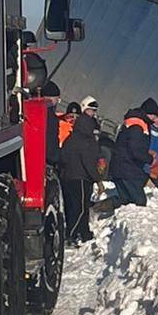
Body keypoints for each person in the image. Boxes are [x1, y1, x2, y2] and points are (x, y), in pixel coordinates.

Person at [60, 97, 101, 245]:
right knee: (81, 209)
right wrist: (97, 178)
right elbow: (88, 161)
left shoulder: (72, 137)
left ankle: (84, 233)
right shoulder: (87, 140)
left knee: (72, 207)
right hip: (81, 177)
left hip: (68, 176)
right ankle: (70, 235)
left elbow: (63, 156)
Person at [109, 105, 154, 207]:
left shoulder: (131, 124)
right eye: (153, 115)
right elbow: (135, 150)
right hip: (128, 169)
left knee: (125, 200)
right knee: (139, 202)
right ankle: (98, 209)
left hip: (121, 168)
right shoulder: (138, 127)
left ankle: (98, 209)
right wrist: (150, 159)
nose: (154, 119)